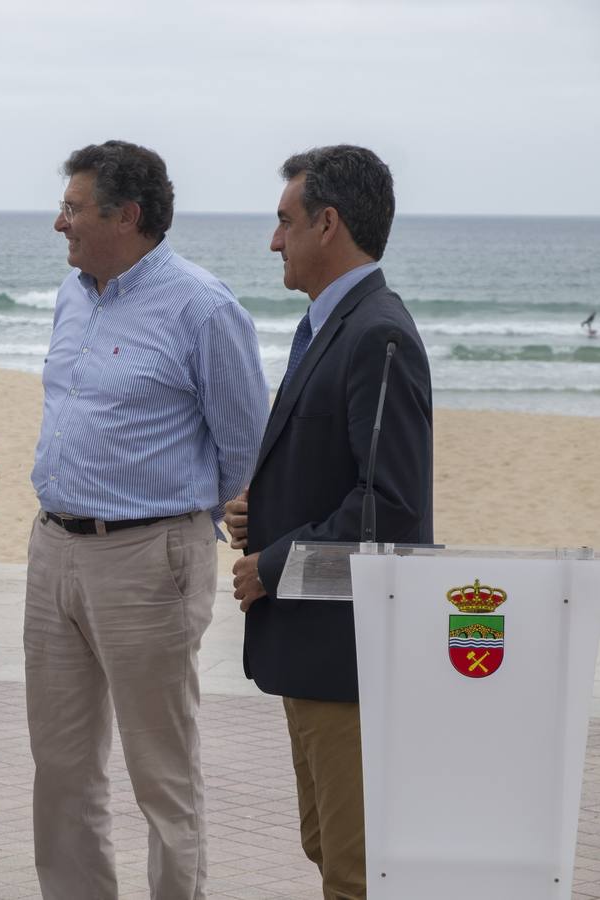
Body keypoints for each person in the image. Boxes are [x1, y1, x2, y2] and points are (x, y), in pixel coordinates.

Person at [26, 141, 269, 899]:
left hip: (148, 560)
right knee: (62, 771)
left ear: (125, 216)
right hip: (52, 550)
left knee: (161, 773)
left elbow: (248, 450)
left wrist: (179, 526)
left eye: (73, 208)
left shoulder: (204, 307)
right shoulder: (74, 293)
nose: (58, 222)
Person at [225, 145, 433, 900]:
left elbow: (390, 508)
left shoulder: (375, 333)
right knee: (327, 848)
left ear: (329, 224)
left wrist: (270, 565)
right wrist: (262, 511)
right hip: (314, 655)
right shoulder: (328, 325)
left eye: (284, 221)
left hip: (349, 661)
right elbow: (339, 476)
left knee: (356, 870)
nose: (273, 240)